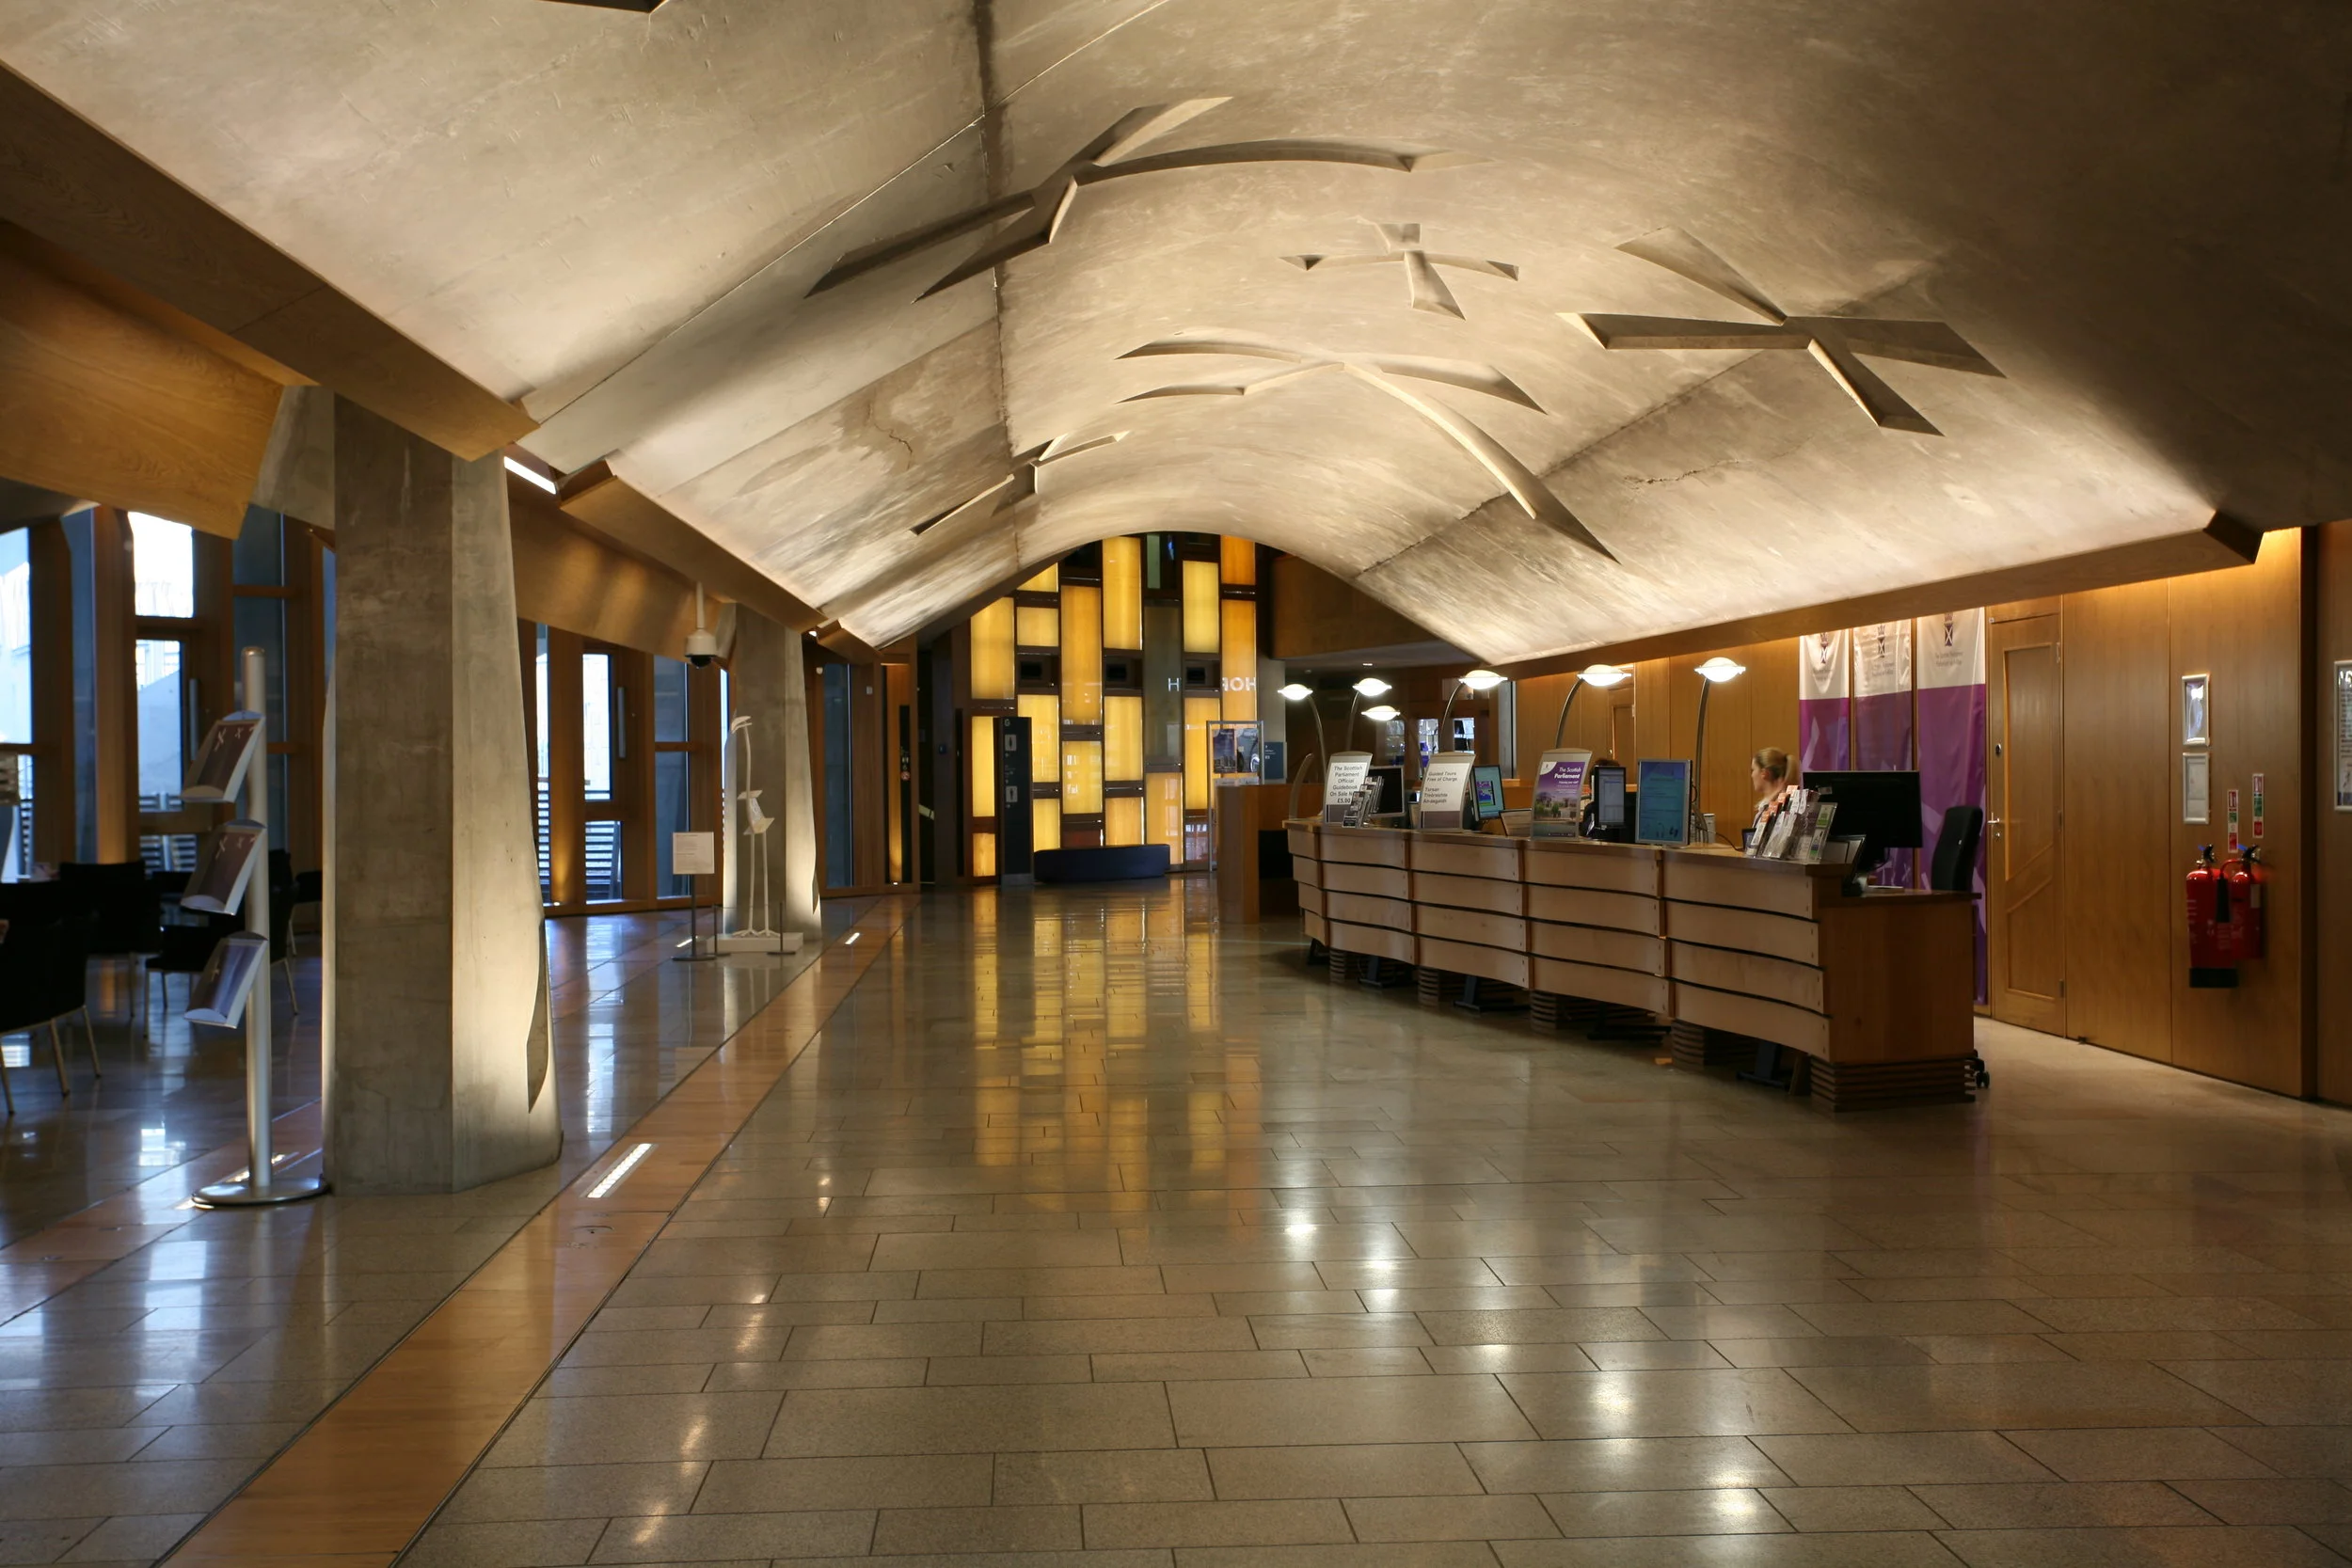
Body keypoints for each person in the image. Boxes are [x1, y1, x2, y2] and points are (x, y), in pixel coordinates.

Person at [1746, 747, 1793, 848]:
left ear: (1764, 773)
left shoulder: (1781, 808)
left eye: (1753, 770)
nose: (1752, 775)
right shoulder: (1765, 807)